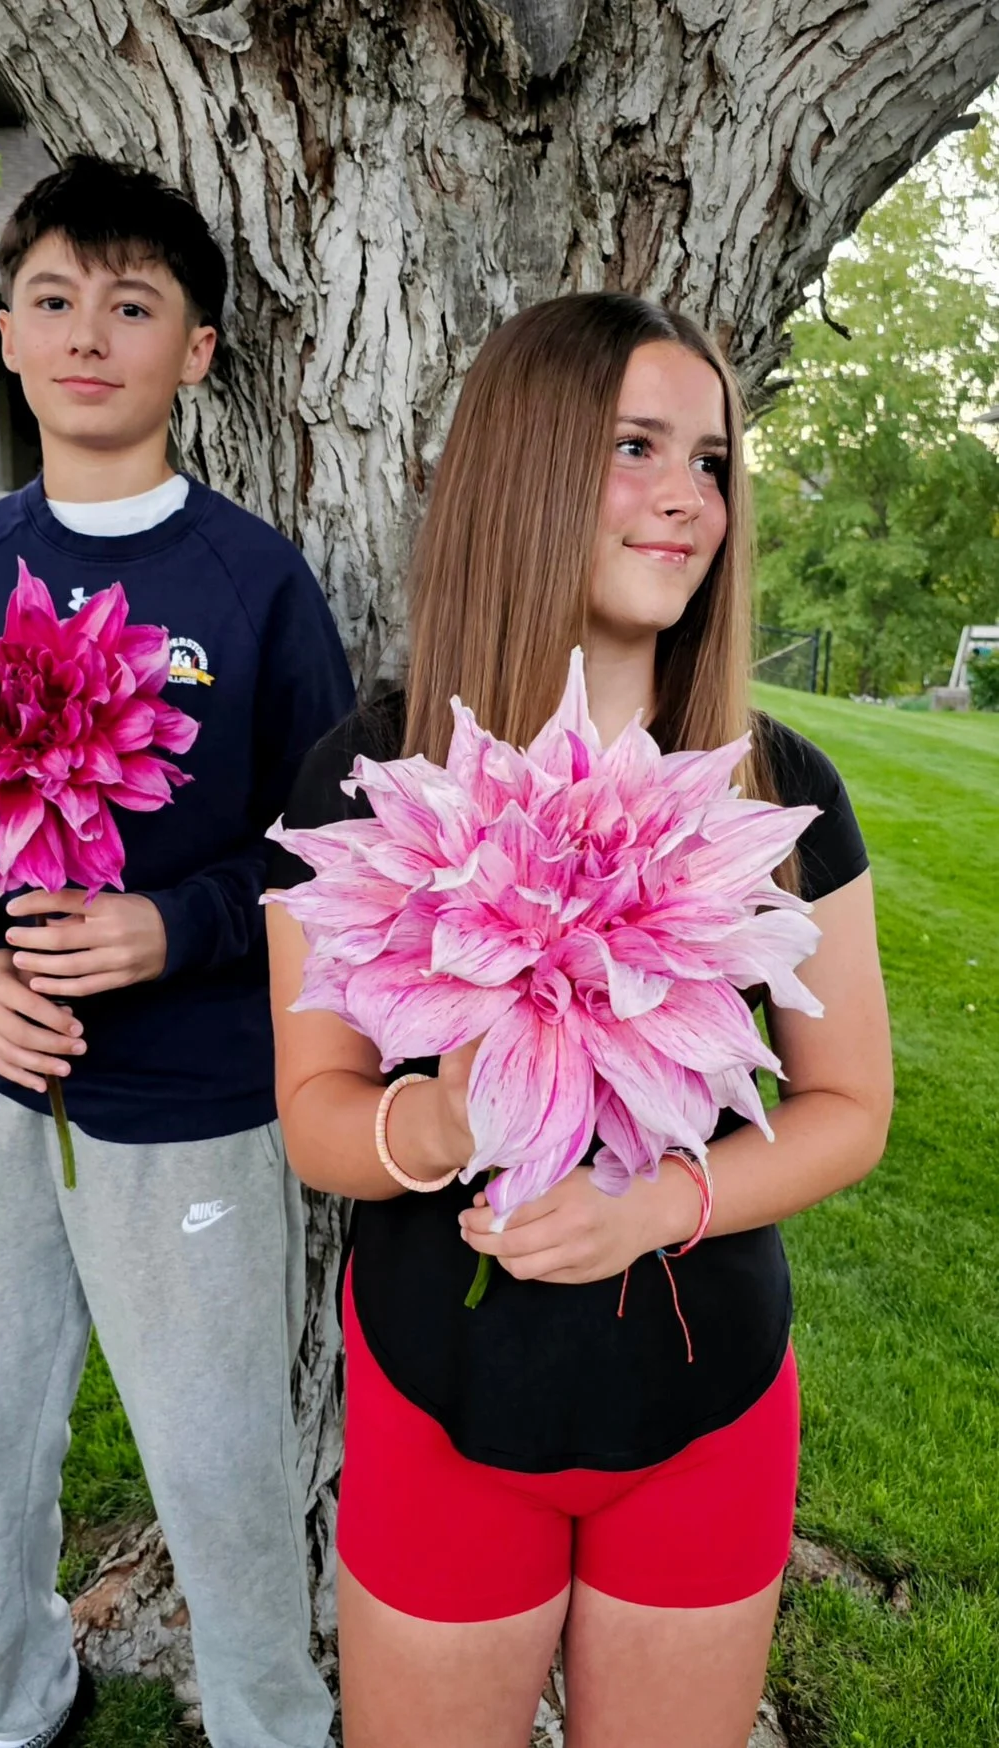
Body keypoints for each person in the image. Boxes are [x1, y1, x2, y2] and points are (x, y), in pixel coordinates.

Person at [264, 292, 894, 1748]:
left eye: (714, 463)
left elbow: (850, 1109)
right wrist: (437, 1119)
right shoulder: (365, 772)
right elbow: (315, 1112)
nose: (691, 499)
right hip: (442, 1405)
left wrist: (659, 1207)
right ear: (531, 463)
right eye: (638, 448)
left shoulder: (773, 787)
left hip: (708, 1407)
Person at [0, 155, 353, 1748]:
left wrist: (174, 925)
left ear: (193, 350)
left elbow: (332, 842)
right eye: (56, 300)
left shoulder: (256, 586)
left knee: (217, 1462)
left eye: (133, 305)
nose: (90, 335)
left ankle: (276, 1722)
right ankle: (22, 1704)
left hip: (195, 1099)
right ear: (8, 333)